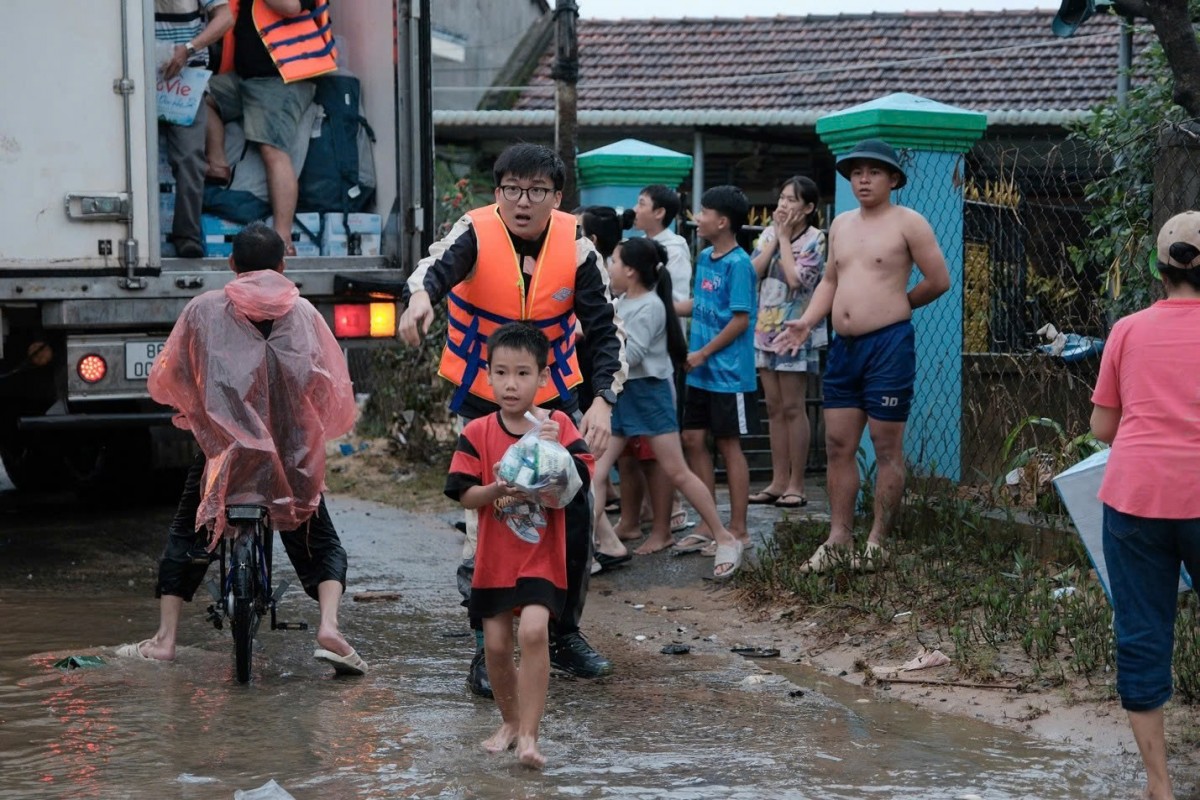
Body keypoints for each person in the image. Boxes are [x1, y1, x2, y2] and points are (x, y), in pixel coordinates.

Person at [399, 143, 626, 698]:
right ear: (497, 191)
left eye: (537, 191)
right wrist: (420, 301)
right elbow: (433, 269)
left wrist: (602, 400)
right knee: (491, 520)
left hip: (556, 399)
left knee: (574, 510)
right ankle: (486, 643)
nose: (523, 202)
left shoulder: (576, 245)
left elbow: (604, 329)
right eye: (512, 190)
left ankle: (564, 632)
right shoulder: (474, 231)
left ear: (557, 196)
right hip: (486, 398)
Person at [116, 223, 366, 676]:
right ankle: (329, 626)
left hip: (225, 456)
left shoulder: (204, 309)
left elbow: (175, 374)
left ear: (232, 266)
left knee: (186, 533)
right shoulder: (306, 314)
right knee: (319, 537)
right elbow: (328, 384)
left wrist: (208, 416)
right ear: (283, 266)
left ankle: (165, 640)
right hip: (293, 460)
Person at [774, 138, 949, 573]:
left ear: (893, 179)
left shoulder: (909, 222)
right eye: (856, 172)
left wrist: (900, 304)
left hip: (888, 345)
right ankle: (838, 538)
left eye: (873, 172)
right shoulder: (843, 225)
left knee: (887, 445)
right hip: (844, 347)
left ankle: (877, 540)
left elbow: (939, 279)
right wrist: (808, 321)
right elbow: (830, 281)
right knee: (837, 444)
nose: (863, 179)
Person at [445, 323, 594, 770]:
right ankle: (509, 722)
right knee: (493, 646)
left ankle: (530, 736)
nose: (512, 384)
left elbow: (579, 483)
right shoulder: (477, 431)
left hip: (541, 558)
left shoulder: (559, 424)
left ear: (544, 378)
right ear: (486, 376)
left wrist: (556, 453)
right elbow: (463, 494)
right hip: (494, 560)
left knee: (532, 632)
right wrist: (497, 489)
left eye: (523, 373)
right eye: (502, 372)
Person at [1088, 211, 1200, 800]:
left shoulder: (1127, 331)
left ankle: (1160, 787)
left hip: (1136, 499)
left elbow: (1103, 428)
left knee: (1141, 633)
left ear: (1158, 268)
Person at [592, 238, 742, 574]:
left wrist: (596, 347)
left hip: (649, 392)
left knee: (676, 470)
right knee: (595, 472)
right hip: (622, 394)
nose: (610, 266)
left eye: (614, 260)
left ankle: (725, 537)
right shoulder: (621, 301)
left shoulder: (651, 306)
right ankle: (588, 548)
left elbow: (631, 356)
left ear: (630, 270)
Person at [204, 0, 337, 252]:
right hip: (244, 77)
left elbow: (290, 6)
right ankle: (218, 163)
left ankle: (282, 236)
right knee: (197, 97)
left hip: (280, 78)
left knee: (272, 150)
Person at [675, 185, 757, 574]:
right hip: (700, 371)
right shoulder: (706, 256)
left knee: (728, 444)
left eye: (704, 211)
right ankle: (711, 525)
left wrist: (704, 353)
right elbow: (700, 302)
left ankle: (738, 529)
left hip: (727, 373)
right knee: (693, 439)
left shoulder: (740, 264)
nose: (698, 217)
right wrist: (662, 303)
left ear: (722, 221)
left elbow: (740, 320)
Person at [747, 176, 827, 509]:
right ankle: (778, 481)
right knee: (775, 408)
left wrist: (782, 240)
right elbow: (753, 272)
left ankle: (797, 484)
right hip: (765, 331)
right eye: (781, 198)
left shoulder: (815, 239)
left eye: (791, 200)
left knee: (794, 407)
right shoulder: (768, 233)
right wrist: (775, 239)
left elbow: (797, 281)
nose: (783, 205)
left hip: (796, 332)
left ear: (808, 208)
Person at [155, 0, 234, 259]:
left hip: (186, 78)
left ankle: (186, 236)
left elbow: (225, 18)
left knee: (190, 159)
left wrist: (189, 49)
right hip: (137, 76)